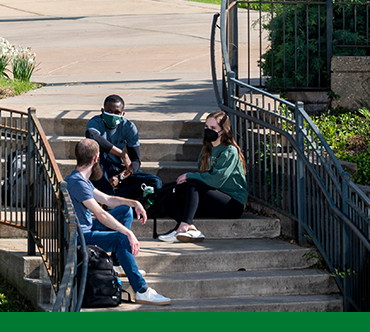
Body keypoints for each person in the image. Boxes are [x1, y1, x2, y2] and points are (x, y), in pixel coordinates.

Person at [66, 139, 171, 304]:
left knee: (125, 211)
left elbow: (107, 199)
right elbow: (101, 214)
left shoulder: (80, 178)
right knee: (121, 238)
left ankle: (118, 261)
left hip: (86, 227)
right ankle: (141, 290)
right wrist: (128, 232)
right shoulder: (76, 183)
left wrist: (134, 203)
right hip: (79, 235)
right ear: (96, 158)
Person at [158, 110, 248, 242]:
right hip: (213, 200)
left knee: (193, 183)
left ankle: (183, 227)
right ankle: (192, 229)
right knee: (174, 197)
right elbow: (204, 177)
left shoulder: (229, 151)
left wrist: (189, 176)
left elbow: (216, 181)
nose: (208, 130)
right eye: (206, 127)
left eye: (213, 128)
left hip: (232, 204)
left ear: (223, 131)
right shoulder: (206, 150)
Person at [85, 95, 162, 208]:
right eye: (109, 111)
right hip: (100, 170)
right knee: (98, 158)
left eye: (117, 112)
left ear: (122, 114)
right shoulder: (95, 122)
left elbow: (135, 161)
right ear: (102, 111)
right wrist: (122, 154)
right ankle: (109, 197)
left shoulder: (129, 127)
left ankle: (111, 199)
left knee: (155, 182)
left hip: (119, 171)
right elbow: (92, 135)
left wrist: (120, 177)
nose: (113, 115)